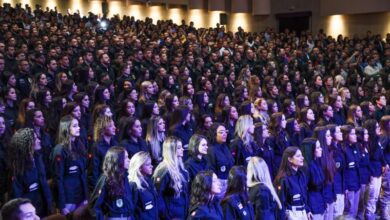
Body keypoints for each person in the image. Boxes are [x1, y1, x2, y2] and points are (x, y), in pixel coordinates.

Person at [8, 128, 52, 217]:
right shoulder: (17, 167)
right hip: (28, 211)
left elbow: (43, 183)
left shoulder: (38, 157)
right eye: (36, 139)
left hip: (43, 206)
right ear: (27, 144)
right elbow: (17, 197)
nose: (39, 141)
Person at [51, 115, 88, 215]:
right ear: (66, 129)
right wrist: (62, 204)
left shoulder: (79, 145)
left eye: (78, 125)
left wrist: (85, 196)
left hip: (80, 194)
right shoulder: (59, 150)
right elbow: (58, 179)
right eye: (75, 126)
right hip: (69, 197)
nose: (79, 128)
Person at [91, 147, 133, 220]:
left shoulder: (124, 177)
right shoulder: (106, 179)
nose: (129, 160)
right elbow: (95, 205)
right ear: (117, 160)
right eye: (126, 158)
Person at [153, 136, 189, 219]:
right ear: (172, 151)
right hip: (171, 216)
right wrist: (166, 216)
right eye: (179, 148)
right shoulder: (163, 170)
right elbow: (158, 195)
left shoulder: (181, 169)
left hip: (182, 213)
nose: (182, 149)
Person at [274, 146, 310, 220]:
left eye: (301, 155)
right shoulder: (283, 179)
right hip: (292, 215)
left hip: (303, 212)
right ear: (290, 159)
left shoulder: (301, 174)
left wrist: (307, 210)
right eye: (298, 156)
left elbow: (304, 196)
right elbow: (280, 203)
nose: (302, 158)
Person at [207, 123, 235, 199]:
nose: (224, 134)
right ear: (214, 134)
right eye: (221, 132)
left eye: (225, 132)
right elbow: (211, 171)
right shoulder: (211, 150)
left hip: (230, 183)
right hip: (219, 187)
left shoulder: (225, 146)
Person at [128, 151, 158, 219]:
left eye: (151, 164)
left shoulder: (148, 181)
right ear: (139, 167)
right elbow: (131, 212)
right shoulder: (133, 185)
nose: (151, 166)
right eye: (148, 164)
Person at [301, 138, 326, 220]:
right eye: (318, 147)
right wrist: (307, 209)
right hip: (313, 206)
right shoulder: (305, 167)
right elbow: (303, 190)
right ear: (311, 150)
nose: (321, 149)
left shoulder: (316, 163)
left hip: (320, 202)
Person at [341, 125, 361, 218]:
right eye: (352, 134)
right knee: (349, 211)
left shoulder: (355, 147)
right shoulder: (342, 149)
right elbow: (343, 171)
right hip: (349, 186)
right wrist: (345, 187)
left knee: (355, 211)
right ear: (346, 135)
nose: (355, 136)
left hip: (357, 183)